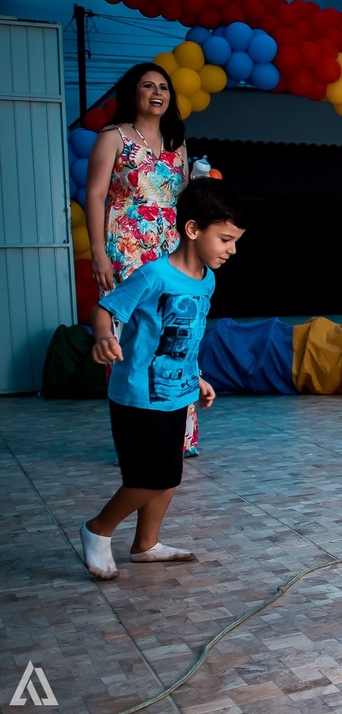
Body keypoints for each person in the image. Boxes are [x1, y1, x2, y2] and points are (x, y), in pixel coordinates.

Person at [79, 179, 247, 580]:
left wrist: (198, 377)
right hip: (138, 393)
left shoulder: (207, 279)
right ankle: (97, 529)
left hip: (178, 390)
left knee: (170, 472)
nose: (232, 250)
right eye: (225, 239)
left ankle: (145, 544)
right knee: (153, 476)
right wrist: (104, 337)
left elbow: (184, 336)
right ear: (192, 230)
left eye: (236, 241)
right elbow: (104, 309)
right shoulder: (153, 275)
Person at [84, 63, 202, 457]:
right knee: (131, 335)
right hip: (126, 247)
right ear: (132, 93)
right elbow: (96, 196)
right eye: (147, 86)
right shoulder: (112, 137)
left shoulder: (177, 142)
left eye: (164, 87)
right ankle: (135, 436)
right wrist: (98, 252)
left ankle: (179, 435)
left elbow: (185, 199)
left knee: (176, 328)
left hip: (170, 246)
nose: (157, 93)